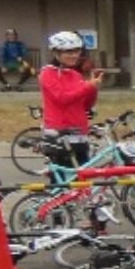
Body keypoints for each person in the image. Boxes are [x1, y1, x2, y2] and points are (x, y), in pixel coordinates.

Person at [39, 31, 99, 170]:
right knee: (64, 186)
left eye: (77, 51)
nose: (74, 55)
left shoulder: (75, 74)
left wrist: (93, 86)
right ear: (56, 53)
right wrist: (88, 86)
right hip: (60, 136)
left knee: (82, 184)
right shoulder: (47, 73)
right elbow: (62, 98)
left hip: (80, 134)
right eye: (68, 52)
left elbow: (85, 104)